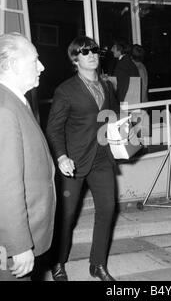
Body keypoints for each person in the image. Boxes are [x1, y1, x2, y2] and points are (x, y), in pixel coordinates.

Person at [46, 36, 119, 281]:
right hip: (73, 163)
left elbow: (112, 117)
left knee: (108, 210)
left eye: (94, 50)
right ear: (75, 59)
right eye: (84, 52)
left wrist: (124, 132)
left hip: (102, 158)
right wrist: (61, 156)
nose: (92, 55)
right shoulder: (65, 90)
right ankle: (58, 263)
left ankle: (97, 264)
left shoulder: (108, 86)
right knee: (66, 216)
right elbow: (54, 128)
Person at [0, 33, 56, 281]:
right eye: (35, 60)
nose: (42, 66)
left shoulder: (15, 101)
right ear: (12, 65)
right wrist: (19, 245)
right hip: (13, 246)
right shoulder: (4, 109)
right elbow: (5, 186)